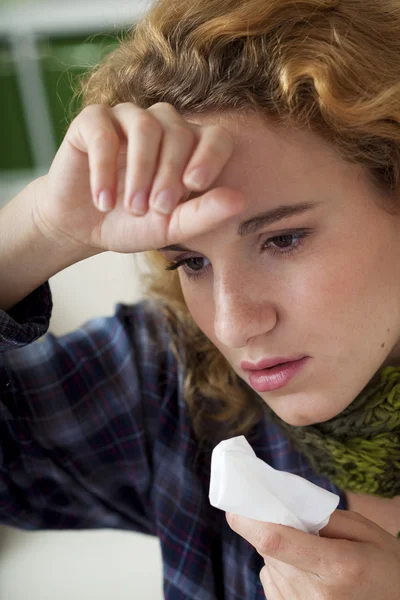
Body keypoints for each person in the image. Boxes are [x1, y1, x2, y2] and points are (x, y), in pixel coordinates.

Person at [1, 0, 400, 597]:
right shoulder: (177, 383)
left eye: (283, 239)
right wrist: (38, 228)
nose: (236, 324)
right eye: (191, 261)